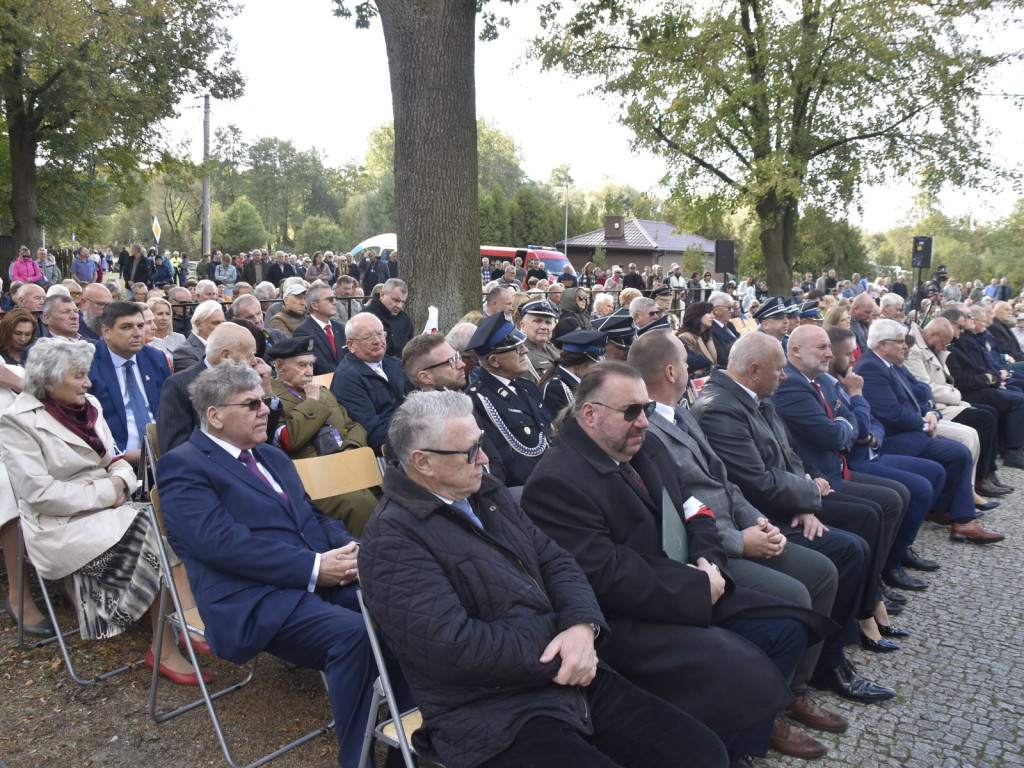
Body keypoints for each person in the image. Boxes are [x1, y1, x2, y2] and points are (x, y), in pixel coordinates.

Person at [360, 389, 729, 768]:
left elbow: (557, 561)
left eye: (482, 443)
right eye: (470, 451)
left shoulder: (485, 492)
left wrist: (583, 626)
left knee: (703, 754)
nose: (485, 459)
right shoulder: (392, 540)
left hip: (572, 678)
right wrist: (564, 639)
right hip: (491, 714)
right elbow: (454, 648)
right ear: (423, 463)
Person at [522, 363, 824, 764]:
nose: (644, 422)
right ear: (590, 415)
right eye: (631, 411)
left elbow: (694, 508)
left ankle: (741, 735)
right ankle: (720, 747)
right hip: (627, 620)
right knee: (733, 658)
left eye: (645, 408)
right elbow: (606, 575)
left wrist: (708, 562)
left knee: (787, 628)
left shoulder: (644, 446)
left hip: (686, 585)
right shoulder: (557, 481)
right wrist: (698, 586)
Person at [156, 362, 403, 767]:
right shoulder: (184, 465)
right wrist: (312, 567)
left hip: (312, 578)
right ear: (214, 415)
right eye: (251, 403)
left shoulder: (269, 455)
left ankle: (403, 744)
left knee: (400, 610)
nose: (266, 410)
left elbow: (314, 516)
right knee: (355, 636)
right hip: (253, 598)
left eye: (266, 401)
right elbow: (220, 544)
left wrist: (352, 550)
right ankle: (357, 759)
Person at [627, 330, 856, 736]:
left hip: (736, 527)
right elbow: (673, 509)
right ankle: (763, 711)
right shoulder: (645, 430)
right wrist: (738, 542)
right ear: (670, 371)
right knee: (795, 594)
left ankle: (793, 690)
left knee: (822, 572)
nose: (691, 365)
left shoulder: (678, 412)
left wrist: (755, 521)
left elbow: (724, 482)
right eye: (685, 359)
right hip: (706, 547)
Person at [690, 333, 897, 702]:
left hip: (785, 504)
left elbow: (789, 455)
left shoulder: (755, 398)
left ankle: (838, 646)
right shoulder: (721, 408)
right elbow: (754, 484)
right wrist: (811, 495)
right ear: (754, 371)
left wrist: (806, 497)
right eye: (779, 369)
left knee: (860, 535)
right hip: (761, 515)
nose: (784, 376)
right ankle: (826, 662)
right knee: (849, 548)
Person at [2, 338, 203, 685]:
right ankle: (183, 627)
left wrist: (120, 482)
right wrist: (106, 490)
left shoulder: (89, 405)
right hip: (61, 526)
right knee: (158, 535)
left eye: (87, 374)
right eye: (79, 375)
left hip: (113, 511)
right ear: (49, 381)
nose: (88, 383)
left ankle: (174, 634)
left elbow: (116, 460)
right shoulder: (17, 421)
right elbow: (39, 494)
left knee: (167, 525)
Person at [855, 319, 1006, 543]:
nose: (906, 346)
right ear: (882, 344)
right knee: (958, 452)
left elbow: (921, 391)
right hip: (895, 439)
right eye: (900, 342)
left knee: (959, 452)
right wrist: (923, 422)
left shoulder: (891, 364)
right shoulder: (871, 367)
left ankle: (953, 515)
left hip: (912, 430)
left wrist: (931, 414)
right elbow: (891, 413)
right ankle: (957, 517)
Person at [268, 336, 377, 536]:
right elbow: (289, 440)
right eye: (302, 365)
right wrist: (312, 402)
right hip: (314, 477)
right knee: (360, 503)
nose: (309, 371)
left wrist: (351, 447)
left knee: (388, 492)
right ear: (280, 366)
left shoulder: (322, 392)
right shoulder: (271, 397)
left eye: (311, 364)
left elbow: (353, 425)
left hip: (345, 464)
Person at [465, 312, 552, 487]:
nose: (525, 350)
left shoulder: (526, 386)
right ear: (494, 361)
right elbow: (504, 461)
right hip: (528, 487)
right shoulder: (476, 400)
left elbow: (548, 434)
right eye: (518, 348)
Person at [87, 302, 171, 465]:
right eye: (127, 327)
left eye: (140, 325)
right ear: (106, 331)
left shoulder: (156, 358)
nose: (137, 333)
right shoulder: (89, 365)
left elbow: (171, 409)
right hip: (115, 459)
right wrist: (120, 456)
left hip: (164, 454)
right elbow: (85, 425)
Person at [329, 312, 412, 454]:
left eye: (380, 334)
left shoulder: (395, 363)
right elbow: (372, 433)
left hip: (413, 433)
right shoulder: (347, 378)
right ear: (351, 345)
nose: (377, 341)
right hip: (390, 450)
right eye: (368, 337)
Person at [537, 329, 605, 416]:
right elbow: (558, 426)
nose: (598, 369)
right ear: (579, 363)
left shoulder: (581, 382)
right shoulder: (555, 387)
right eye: (594, 364)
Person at [292, 283, 346, 376]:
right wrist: (348, 375)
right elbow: (320, 366)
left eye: (335, 298)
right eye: (330, 299)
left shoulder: (340, 328)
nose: (335, 302)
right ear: (314, 305)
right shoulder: (303, 332)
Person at [361, 278, 413, 358]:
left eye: (402, 302)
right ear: (382, 294)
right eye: (396, 300)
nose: (399, 306)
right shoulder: (365, 317)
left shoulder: (405, 320)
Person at [172, 299, 225, 373]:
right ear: (198, 324)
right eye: (216, 323)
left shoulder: (226, 346)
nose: (222, 327)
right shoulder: (184, 352)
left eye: (223, 323)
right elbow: (197, 381)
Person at [517, 298, 560, 383]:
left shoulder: (551, 348)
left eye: (548, 322)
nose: (544, 327)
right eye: (537, 321)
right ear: (523, 325)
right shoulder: (519, 353)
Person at [678, 301, 718, 378]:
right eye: (709, 313)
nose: (712, 316)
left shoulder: (704, 336)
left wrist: (709, 338)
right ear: (697, 315)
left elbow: (714, 362)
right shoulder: (686, 337)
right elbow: (695, 369)